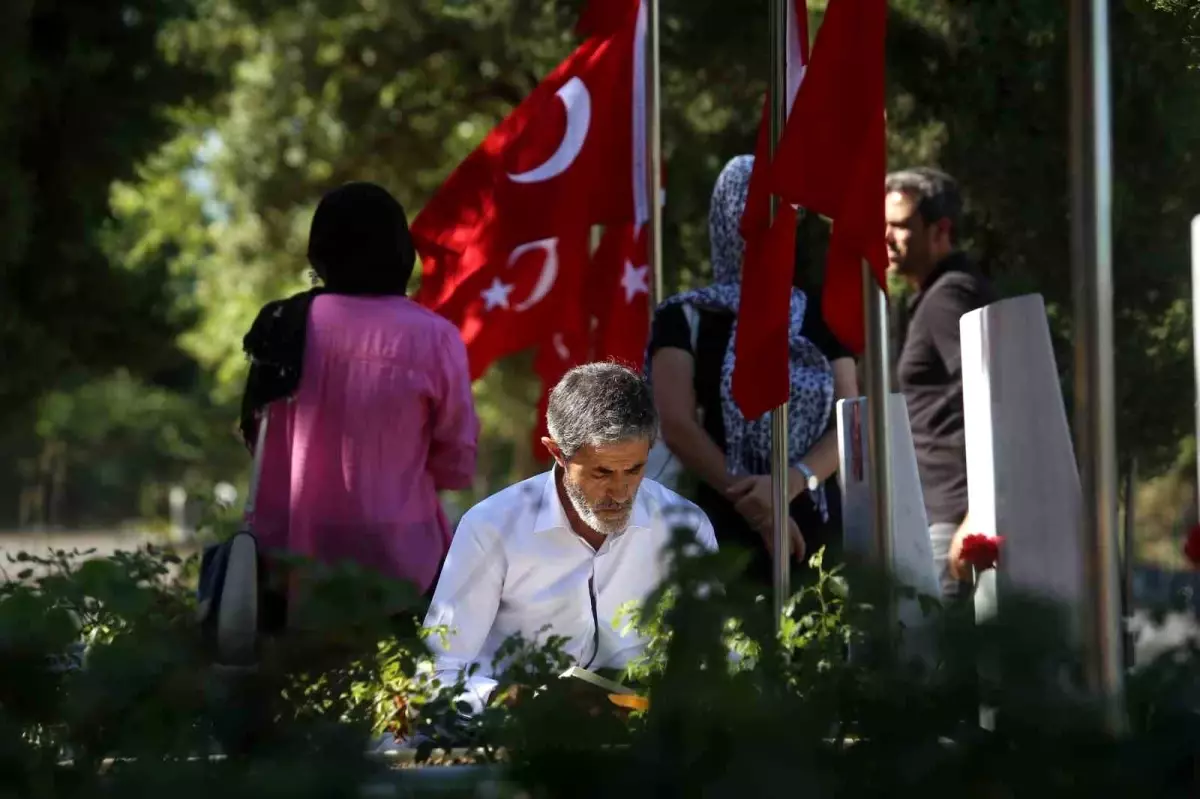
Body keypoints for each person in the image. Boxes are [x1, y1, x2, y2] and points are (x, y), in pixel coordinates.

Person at [423, 362, 717, 713]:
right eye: (602, 472)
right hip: (512, 741)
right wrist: (510, 701)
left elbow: (714, 655)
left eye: (634, 469)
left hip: (644, 747)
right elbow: (440, 669)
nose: (620, 492)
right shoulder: (490, 527)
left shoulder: (684, 525)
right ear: (557, 453)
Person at [241, 181, 479, 607]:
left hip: (286, 571)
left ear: (321, 250)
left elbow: (255, 435)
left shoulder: (282, 323)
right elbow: (457, 465)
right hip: (403, 571)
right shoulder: (436, 338)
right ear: (401, 251)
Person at [645, 155, 859, 588]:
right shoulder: (686, 317)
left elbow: (850, 418)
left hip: (812, 518)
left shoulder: (820, 317)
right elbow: (677, 424)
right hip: (718, 519)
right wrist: (754, 501)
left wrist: (789, 486)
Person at [885, 167, 995, 603]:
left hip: (954, 521)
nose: (887, 237)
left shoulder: (951, 297)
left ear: (940, 231)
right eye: (884, 225)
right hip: (937, 516)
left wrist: (976, 514)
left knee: (937, 666)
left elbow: (992, 394)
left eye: (900, 226)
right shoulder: (931, 297)